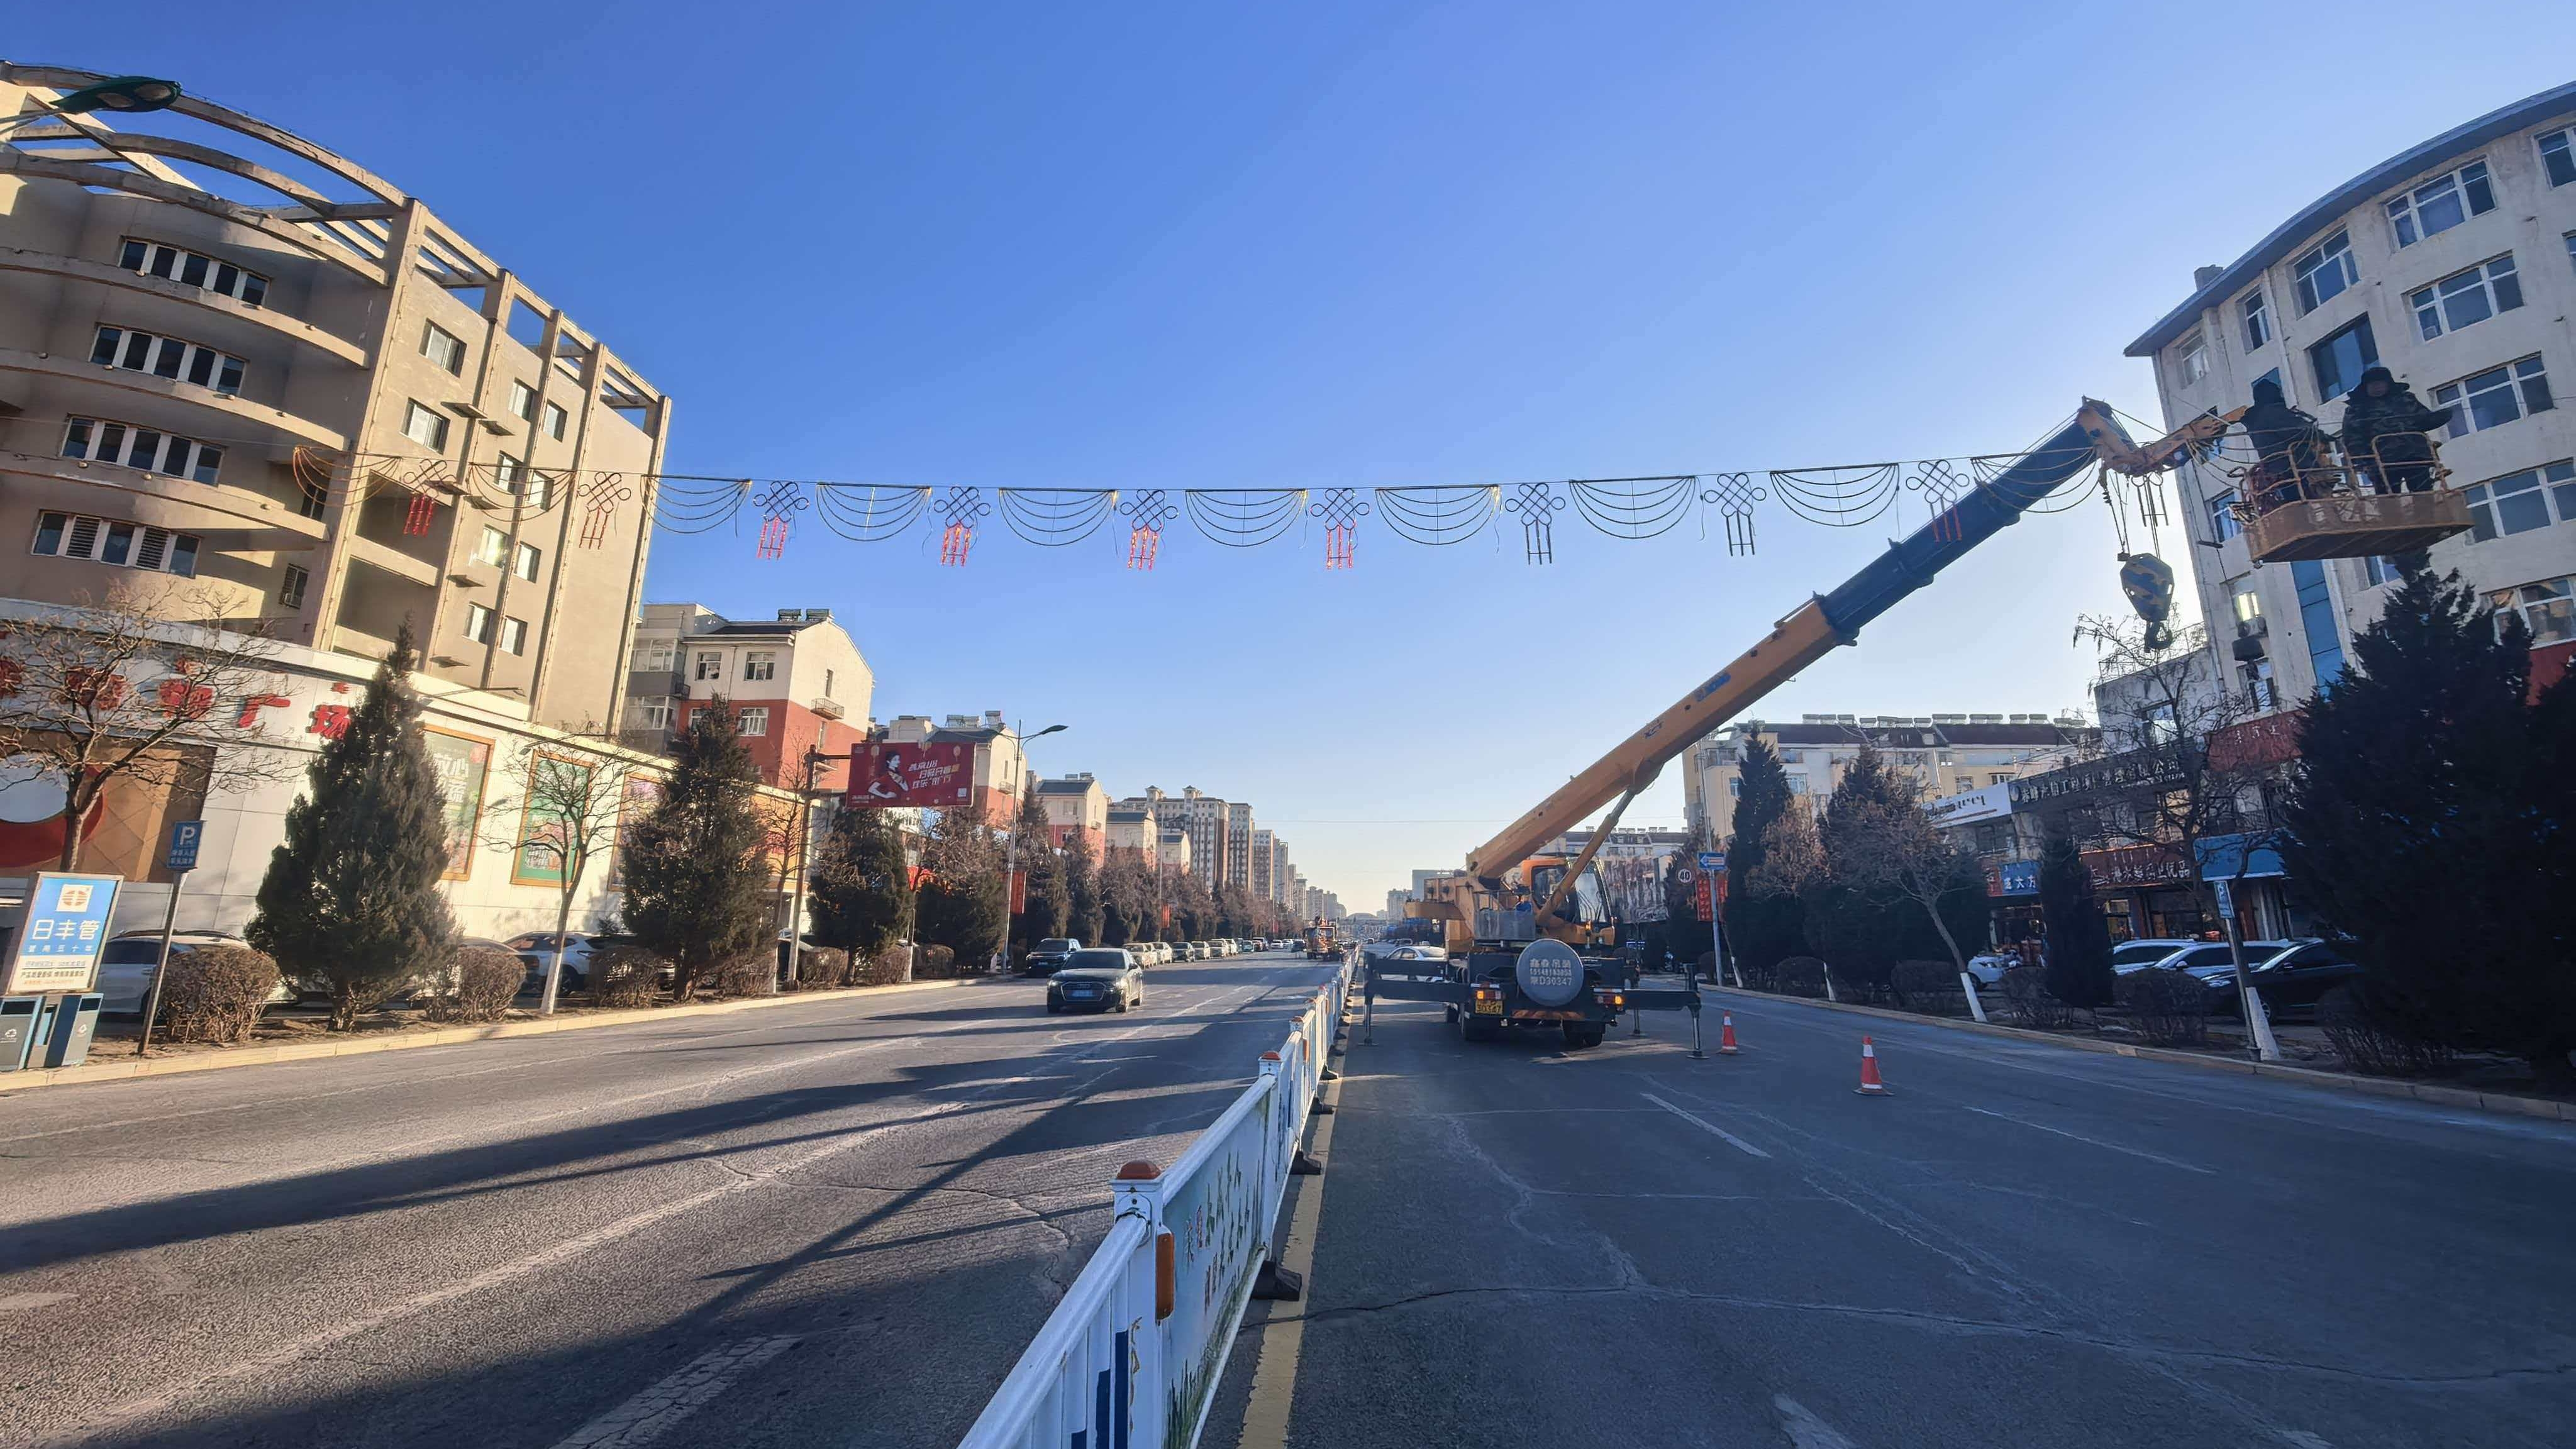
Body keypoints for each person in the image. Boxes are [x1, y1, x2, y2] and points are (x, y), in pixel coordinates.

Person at [2339, 365, 2454, 494]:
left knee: (2423, 492)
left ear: (2388, 384)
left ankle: (2426, 506)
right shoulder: (2356, 409)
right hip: (2381, 460)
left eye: (2380, 383)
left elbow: (2423, 420)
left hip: (2414, 455)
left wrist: (2440, 417)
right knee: (2389, 497)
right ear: (2366, 387)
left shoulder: (2406, 399)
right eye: (2373, 384)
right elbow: (2352, 438)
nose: (2377, 387)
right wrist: (2363, 459)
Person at [2240, 377, 2330, 508]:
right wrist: (2321, 436)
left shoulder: (2255, 419)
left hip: (2276, 470)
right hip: (2294, 467)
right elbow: (2297, 430)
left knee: (2296, 505)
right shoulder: (2273, 412)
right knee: (2308, 500)